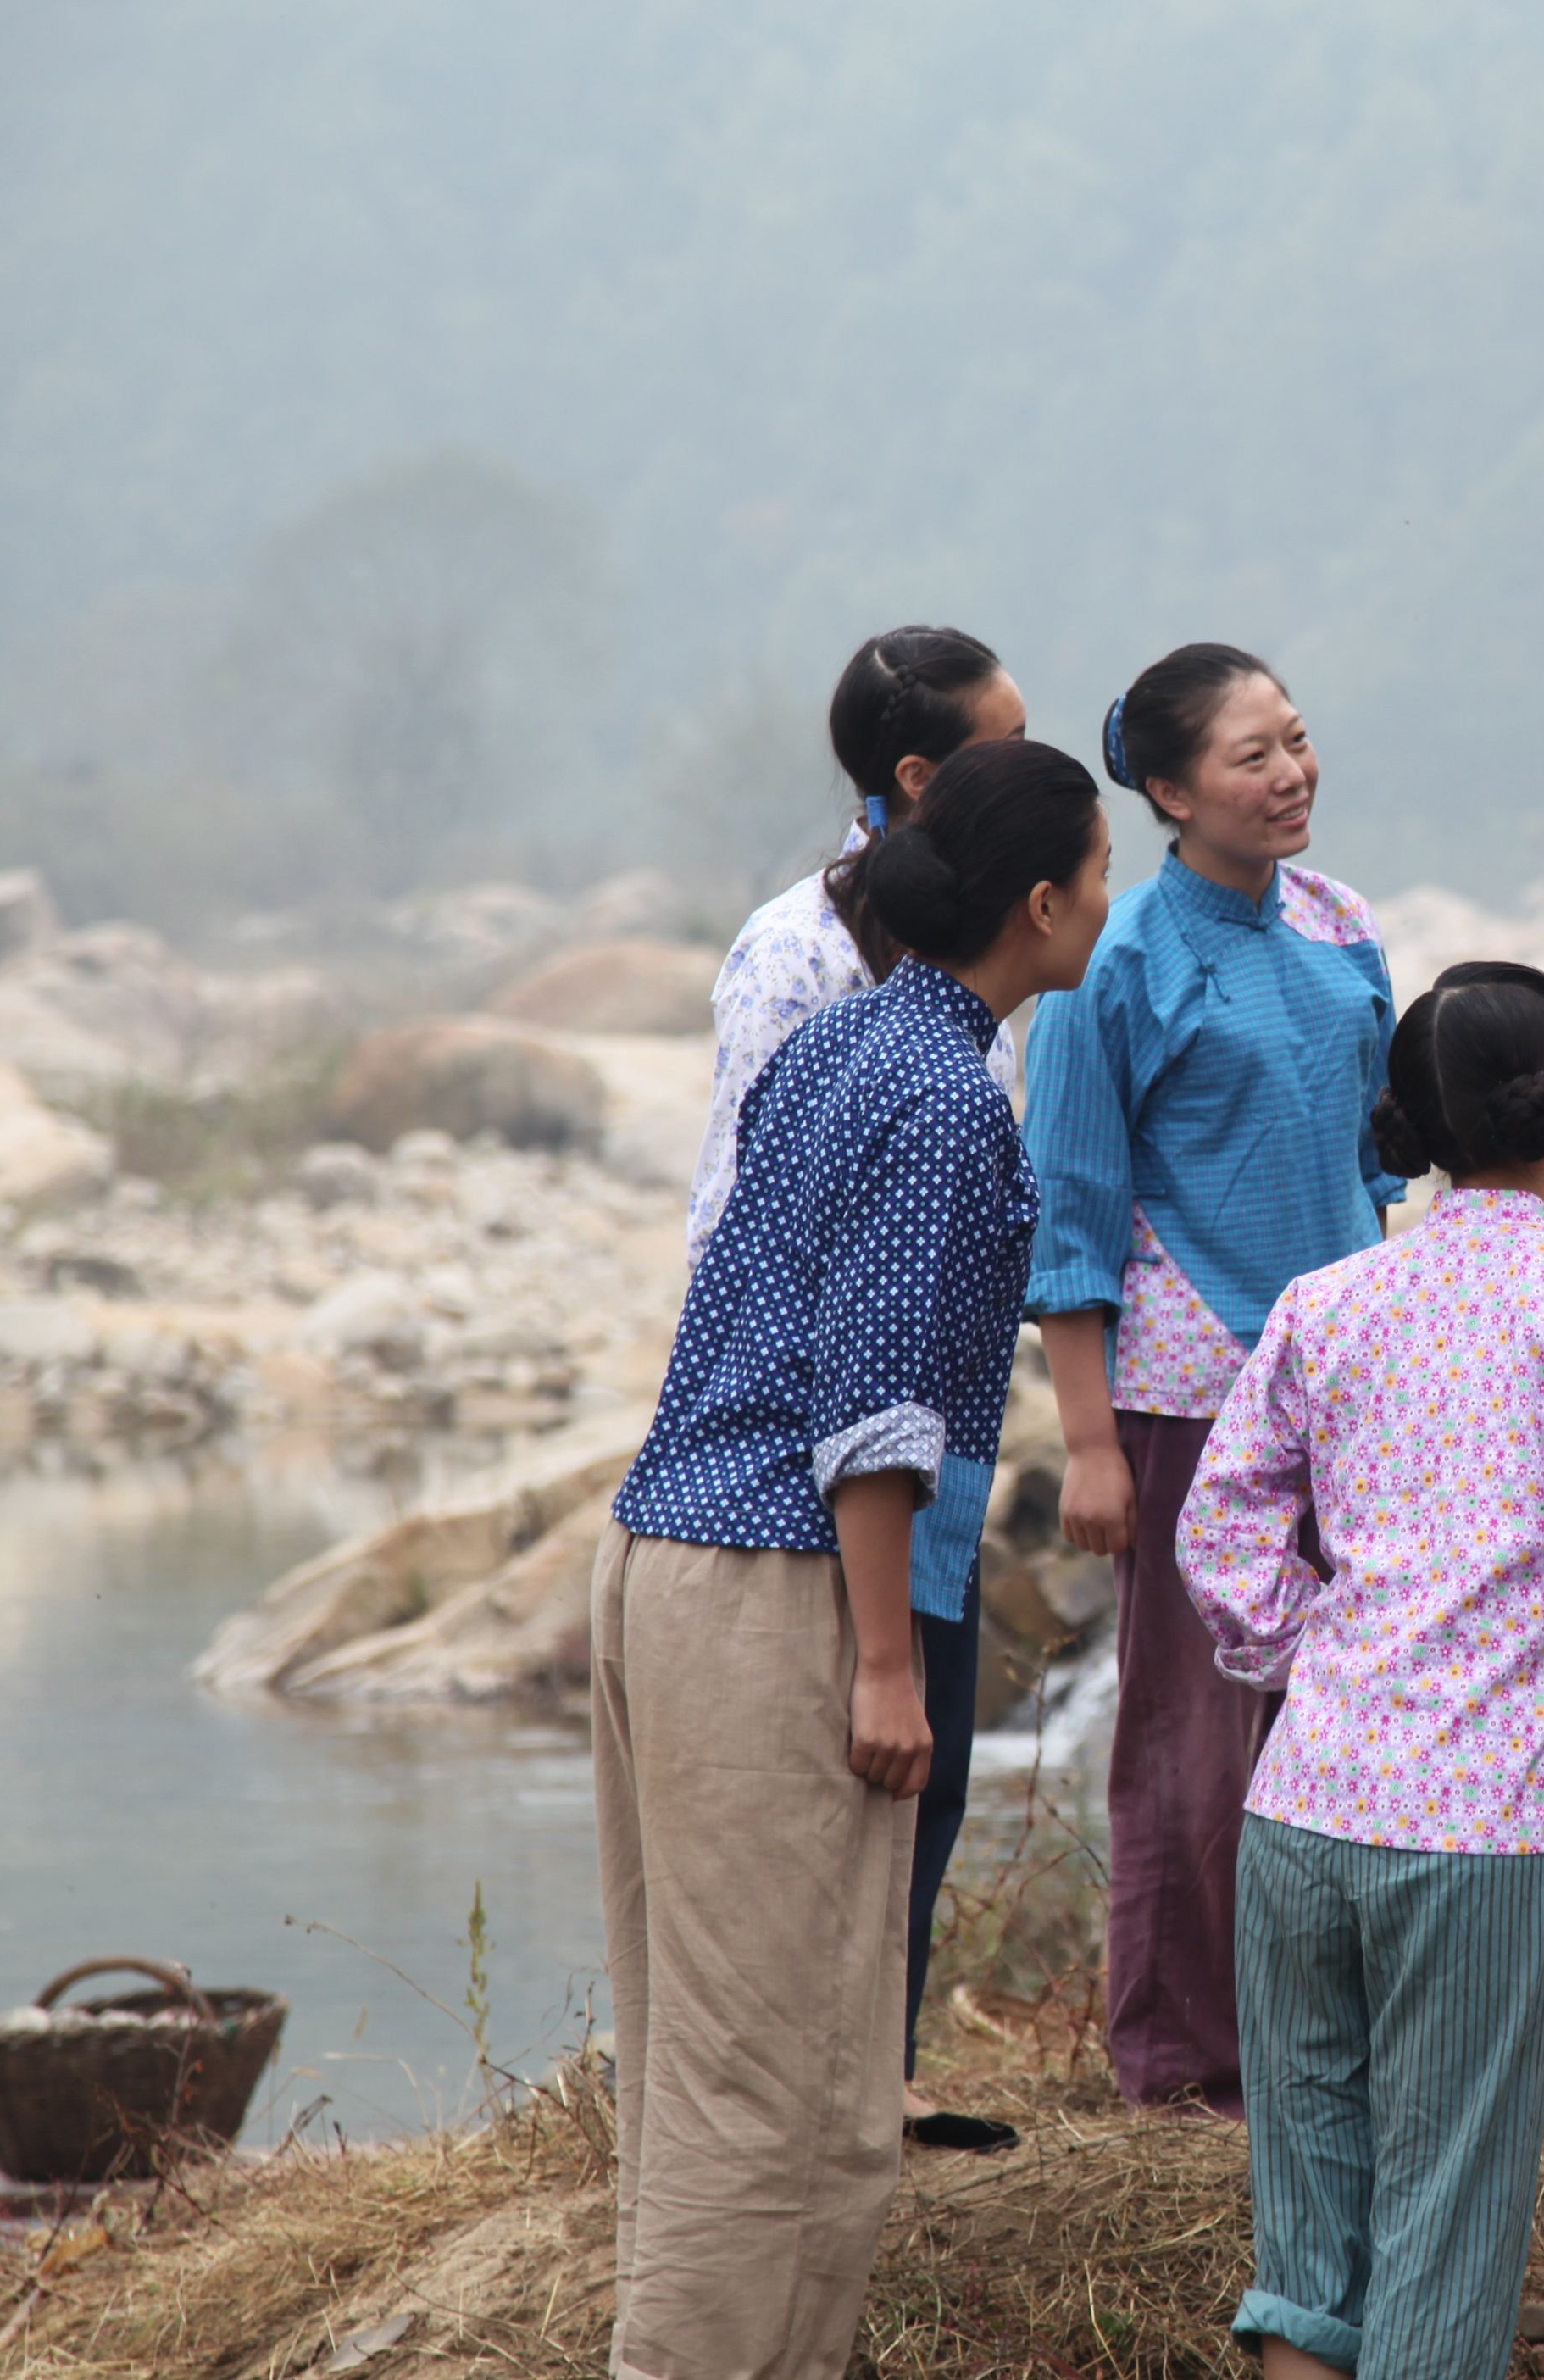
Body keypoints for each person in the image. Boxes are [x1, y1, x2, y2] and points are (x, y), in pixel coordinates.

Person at [593, 737, 1112, 2380]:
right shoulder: (948, 1095)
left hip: (665, 1555)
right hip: (774, 1587)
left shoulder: (848, 1044)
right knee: (780, 2095)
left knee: (730, 2070)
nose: (1114, 901)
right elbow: (877, 1414)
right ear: (1038, 905)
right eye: (1102, 875)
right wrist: (890, 1667)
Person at [1180, 962, 1544, 2378]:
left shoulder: (1327, 1302)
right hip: (1479, 1825)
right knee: (1446, 2219)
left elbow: (1222, 1526)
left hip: (1302, 1804)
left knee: (1310, 2230)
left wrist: (1321, 1653)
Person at [1022, 642, 1401, 2115]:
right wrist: (1089, 1441)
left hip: (1348, 1388)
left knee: (1341, 1720)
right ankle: (1181, 2065)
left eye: (1297, 741)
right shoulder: (1117, 961)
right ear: (1172, 792)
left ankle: (1317, 2045)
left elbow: (1374, 1152)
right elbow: (1071, 1206)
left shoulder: (1342, 921)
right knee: (1190, 1736)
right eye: (1252, 757)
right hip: (1187, 1397)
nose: (1291, 774)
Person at [686, 623, 1030, 2151]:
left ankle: (877, 2066)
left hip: (930, 1412)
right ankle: (809, 2087)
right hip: (819, 1432)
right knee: (841, 1746)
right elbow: (739, 1213)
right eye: (995, 744)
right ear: (916, 776)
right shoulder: (796, 953)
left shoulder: (979, 963)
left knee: (927, 1766)